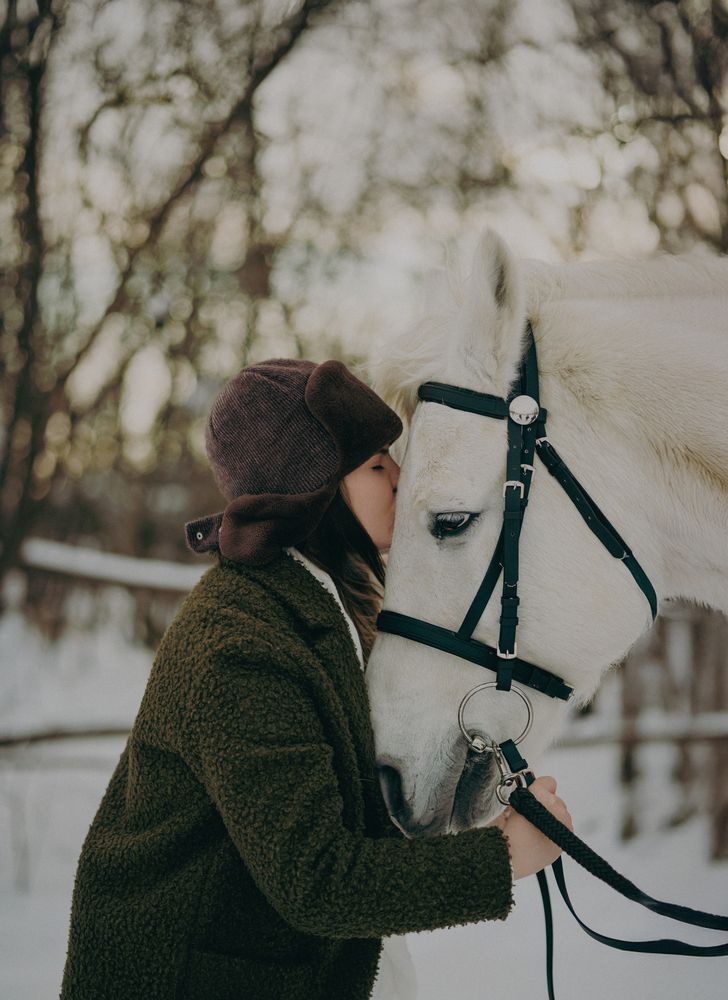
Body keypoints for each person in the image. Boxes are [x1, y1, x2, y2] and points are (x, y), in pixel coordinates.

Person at [59, 358, 573, 1000]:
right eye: (375, 464)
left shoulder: (324, 601)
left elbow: (348, 807)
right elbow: (318, 878)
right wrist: (502, 859)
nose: (400, 476)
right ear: (312, 488)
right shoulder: (239, 644)